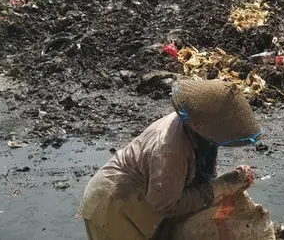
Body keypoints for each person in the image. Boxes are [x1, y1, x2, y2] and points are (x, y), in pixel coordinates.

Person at [76, 79, 263, 240]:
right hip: (115, 204)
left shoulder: (198, 130)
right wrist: (220, 187)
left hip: (145, 197)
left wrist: (228, 180)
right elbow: (166, 205)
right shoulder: (170, 150)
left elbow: (195, 180)